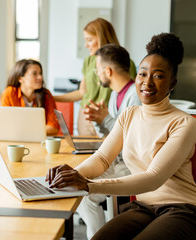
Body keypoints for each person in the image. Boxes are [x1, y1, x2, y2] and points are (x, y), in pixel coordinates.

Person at [46, 33, 196, 239]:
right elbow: (102, 158)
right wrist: (74, 175)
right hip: (145, 207)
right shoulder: (129, 115)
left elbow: (154, 178)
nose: (147, 82)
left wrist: (89, 186)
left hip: (184, 209)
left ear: (172, 83)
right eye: (143, 74)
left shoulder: (183, 123)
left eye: (158, 76)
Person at [77, 44, 141, 239]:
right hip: (117, 161)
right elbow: (111, 136)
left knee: (85, 198)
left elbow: (130, 137)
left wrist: (104, 119)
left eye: (97, 69)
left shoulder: (135, 96)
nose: (97, 74)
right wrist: (98, 120)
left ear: (108, 70)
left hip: (131, 165)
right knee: (80, 195)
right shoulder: (115, 95)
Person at [53, 18, 137, 136]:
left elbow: (126, 93)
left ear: (102, 38)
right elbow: (82, 92)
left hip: (109, 117)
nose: (86, 45)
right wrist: (53, 98)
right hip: (87, 116)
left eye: (89, 40)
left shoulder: (124, 63)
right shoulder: (88, 61)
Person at [1, 59, 59, 136]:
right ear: (20, 78)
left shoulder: (46, 94)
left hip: (40, 142)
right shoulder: (9, 93)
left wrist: (22, 131)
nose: (40, 77)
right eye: (34, 74)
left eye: (40, 73)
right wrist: (37, 130)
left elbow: (53, 128)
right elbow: (5, 125)